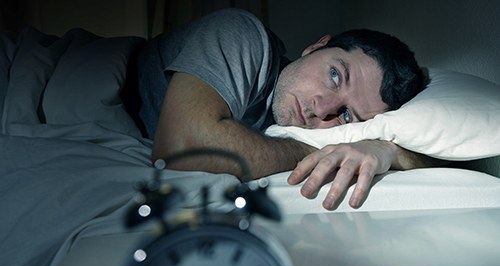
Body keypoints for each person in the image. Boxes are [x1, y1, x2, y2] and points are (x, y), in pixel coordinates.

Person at [137, 8, 438, 210]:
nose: (322, 109)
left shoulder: (322, 123)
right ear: (317, 47)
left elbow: (435, 157)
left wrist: (386, 150)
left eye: (346, 116)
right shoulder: (241, 34)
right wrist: (312, 148)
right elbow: (179, 147)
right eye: (334, 75)